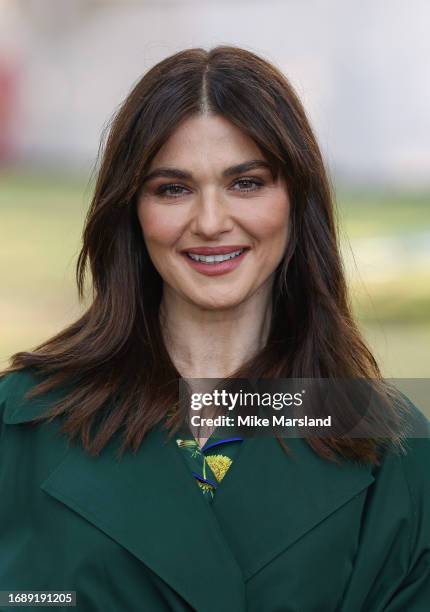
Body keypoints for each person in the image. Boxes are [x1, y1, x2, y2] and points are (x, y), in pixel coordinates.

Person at [0, 45, 429, 612]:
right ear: (131, 210)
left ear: (297, 201)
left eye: (246, 183)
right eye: (172, 188)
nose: (209, 222)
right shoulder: (21, 422)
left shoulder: (387, 442)